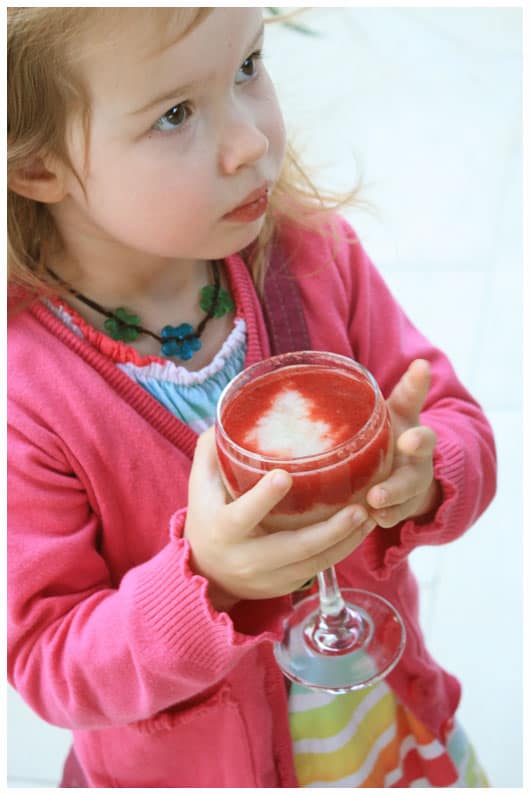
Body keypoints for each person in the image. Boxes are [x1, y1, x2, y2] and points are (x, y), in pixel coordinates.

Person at [7, 7, 496, 788]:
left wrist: (428, 474)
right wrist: (209, 577)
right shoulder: (25, 396)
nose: (253, 141)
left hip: (378, 730)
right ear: (35, 165)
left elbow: (456, 421)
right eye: (174, 114)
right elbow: (51, 663)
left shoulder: (310, 255)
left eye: (247, 66)